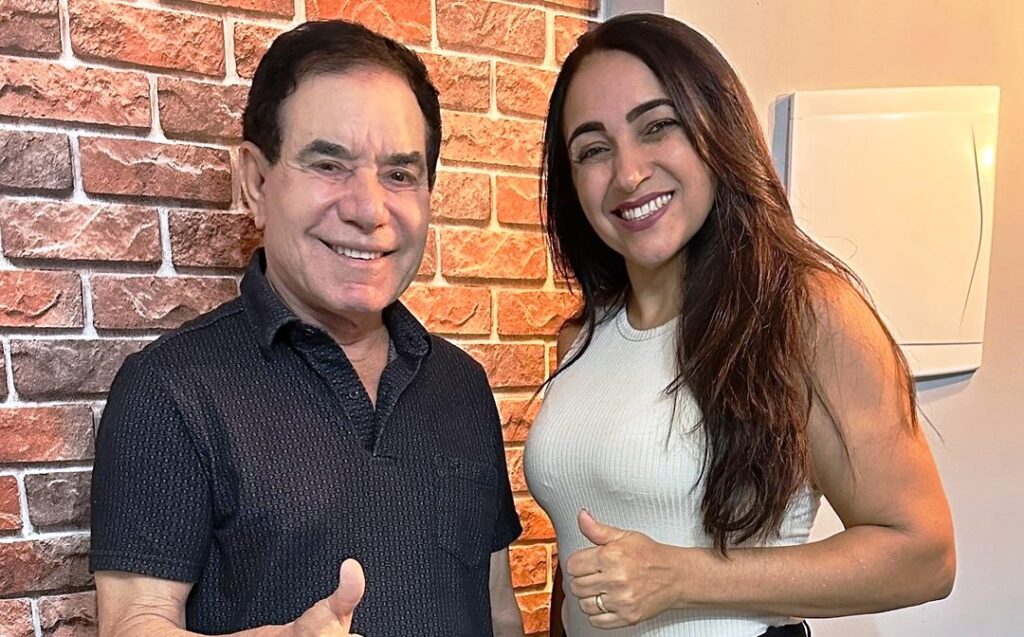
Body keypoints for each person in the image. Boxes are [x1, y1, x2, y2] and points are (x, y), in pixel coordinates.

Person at [524, 12, 955, 637]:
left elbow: (924, 555)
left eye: (658, 126)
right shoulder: (583, 336)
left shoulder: (802, 311)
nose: (628, 173)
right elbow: (585, 559)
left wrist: (681, 577)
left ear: (715, 129)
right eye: (593, 149)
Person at [90, 20, 524, 637]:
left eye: (400, 174)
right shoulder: (171, 388)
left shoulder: (462, 384)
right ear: (255, 182)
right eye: (328, 164)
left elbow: (498, 607)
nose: (368, 210)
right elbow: (134, 625)